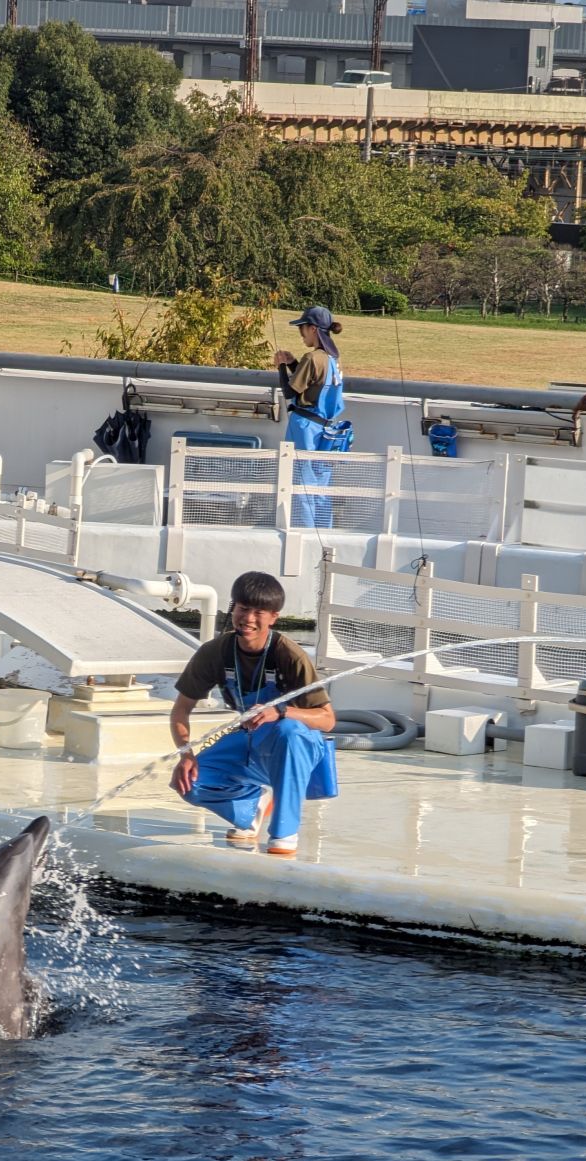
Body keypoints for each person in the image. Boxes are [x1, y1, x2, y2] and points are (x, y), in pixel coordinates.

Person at [169, 571, 337, 857]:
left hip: (293, 747)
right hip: (249, 740)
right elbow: (180, 711)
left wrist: (281, 711)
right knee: (188, 784)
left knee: (288, 731)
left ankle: (284, 833)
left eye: (259, 612)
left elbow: (327, 719)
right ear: (232, 608)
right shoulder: (216, 652)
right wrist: (186, 753)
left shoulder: (289, 655)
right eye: (242, 608)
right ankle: (252, 802)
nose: (248, 618)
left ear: (273, 617)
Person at [274, 305, 353, 529]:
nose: (301, 333)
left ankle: (306, 534)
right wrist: (292, 364)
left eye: (303, 328)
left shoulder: (311, 357)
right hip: (327, 431)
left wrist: (280, 367)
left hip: (306, 427)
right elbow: (315, 383)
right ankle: (323, 532)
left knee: (303, 485)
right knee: (321, 487)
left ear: (313, 329)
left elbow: (291, 392)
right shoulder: (332, 358)